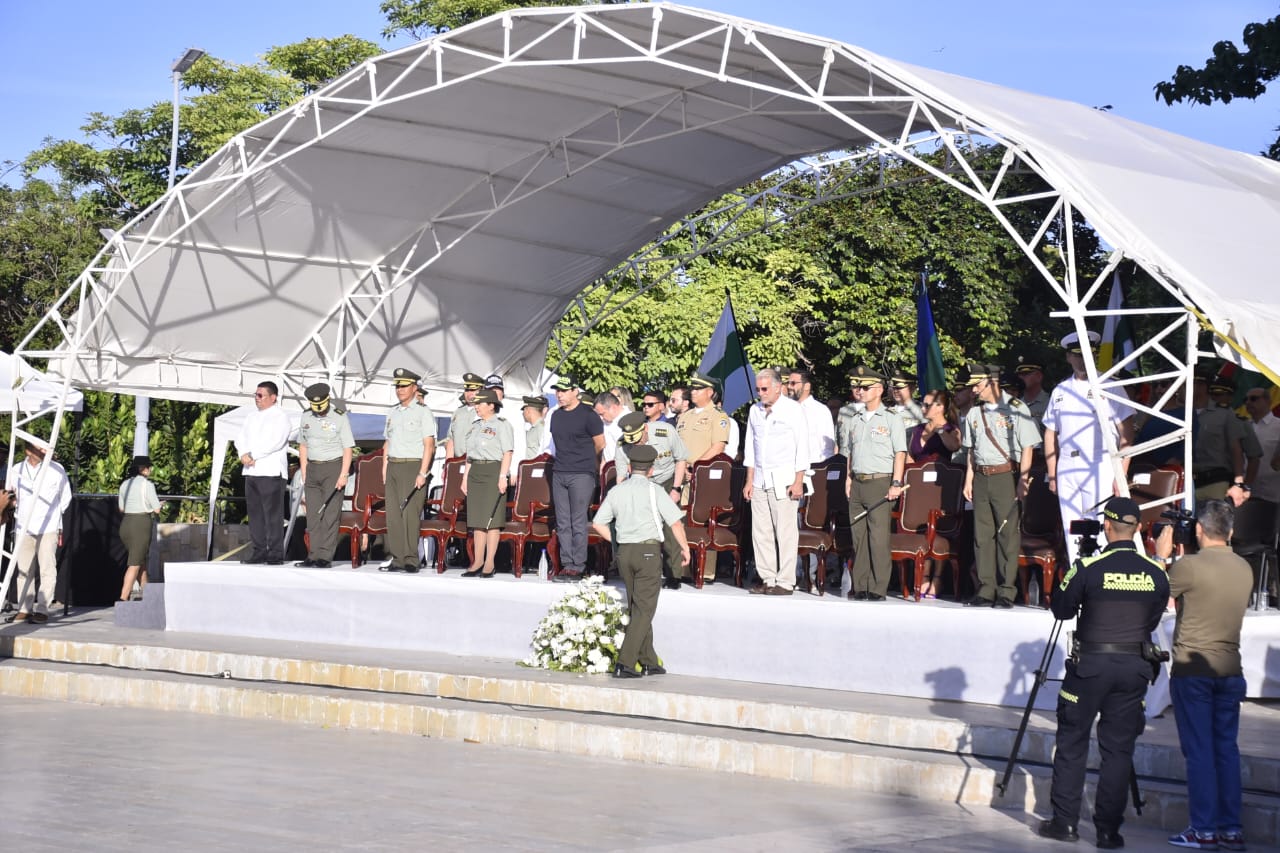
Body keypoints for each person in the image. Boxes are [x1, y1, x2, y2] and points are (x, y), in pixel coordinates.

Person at [1038, 497, 1169, 850]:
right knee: (1118, 751)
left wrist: (1072, 570)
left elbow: (1061, 611)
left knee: (1072, 743)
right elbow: (1152, 621)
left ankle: (1065, 824)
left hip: (1091, 668)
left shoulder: (1088, 568)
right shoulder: (1156, 572)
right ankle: (1108, 831)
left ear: (1107, 527)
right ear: (1138, 529)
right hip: (1133, 669)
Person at [1152, 501, 1252, 851]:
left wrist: (1162, 557)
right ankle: (1230, 829)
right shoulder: (1244, 567)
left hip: (1193, 671)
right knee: (1226, 750)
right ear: (1231, 532)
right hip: (1230, 669)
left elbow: (1154, 594)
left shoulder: (1188, 566)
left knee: (1200, 752)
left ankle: (1204, 829)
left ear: (1198, 530)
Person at [591, 444, 691, 678]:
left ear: (629, 467)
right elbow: (675, 522)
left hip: (625, 552)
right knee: (645, 609)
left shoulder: (617, 491)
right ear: (652, 470)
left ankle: (648, 661)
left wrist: (617, 541)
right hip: (647, 552)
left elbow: (598, 523)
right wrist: (685, 548)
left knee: (638, 606)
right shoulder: (655, 490)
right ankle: (625, 663)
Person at [1042, 331, 1135, 565]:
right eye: (1077, 355)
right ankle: (1077, 576)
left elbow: (1127, 432)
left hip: (1101, 462)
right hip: (1067, 464)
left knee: (1102, 525)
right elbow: (1051, 432)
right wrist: (1052, 472)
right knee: (1071, 526)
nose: (1082, 360)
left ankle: (1101, 577)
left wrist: (1121, 472)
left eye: (1086, 354)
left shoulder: (1110, 385)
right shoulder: (1060, 391)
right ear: (1068, 357)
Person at [961, 364, 1042, 608]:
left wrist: (1023, 480)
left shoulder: (1017, 409)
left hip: (1006, 476)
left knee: (1007, 534)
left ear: (992, 382)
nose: (974, 390)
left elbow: (1028, 446)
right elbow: (971, 450)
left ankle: (1007, 590)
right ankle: (986, 589)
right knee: (982, 535)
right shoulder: (976, 413)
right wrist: (969, 479)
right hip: (982, 476)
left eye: (977, 385)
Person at [742, 369, 808, 596]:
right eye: (758, 389)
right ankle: (768, 577)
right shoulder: (755, 411)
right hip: (760, 478)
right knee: (760, 532)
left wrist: (799, 480)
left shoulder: (793, 410)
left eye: (765, 389)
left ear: (778, 387)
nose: (760, 393)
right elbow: (751, 447)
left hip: (784, 478)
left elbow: (803, 447)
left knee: (786, 531)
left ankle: (786, 580)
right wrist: (749, 480)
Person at [844, 365, 907, 601]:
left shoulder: (891, 418)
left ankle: (878, 587)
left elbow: (899, 453)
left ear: (879, 389)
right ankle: (861, 585)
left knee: (878, 537)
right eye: (857, 386)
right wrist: (848, 478)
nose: (859, 390)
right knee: (858, 537)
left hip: (880, 481)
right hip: (859, 481)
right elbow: (851, 452)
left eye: (865, 387)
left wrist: (896, 482)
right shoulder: (855, 418)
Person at [615, 411, 689, 588]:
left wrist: (676, 488)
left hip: (667, 480)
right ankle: (644, 572)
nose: (636, 443)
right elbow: (621, 477)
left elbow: (681, 459)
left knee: (671, 526)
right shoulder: (622, 444)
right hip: (641, 483)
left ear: (645, 428)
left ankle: (673, 575)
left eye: (639, 439)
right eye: (631, 441)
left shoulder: (666, 431)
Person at [4, 442, 72, 624]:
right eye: (40, 448)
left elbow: (66, 498)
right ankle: (24, 609)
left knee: (47, 568)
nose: (45, 451)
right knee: (24, 570)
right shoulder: (16, 469)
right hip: (23, 527)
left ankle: (42, 609)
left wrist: (53, 516)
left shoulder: (57, 469)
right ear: (28, 450)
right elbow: (11, 496)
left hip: (48, 526)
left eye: (45, 448)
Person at [548, 378, 605, 581]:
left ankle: (578, 565)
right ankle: (566, 564)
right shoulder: (555, 416)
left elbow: (600, 443)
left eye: (563, 391)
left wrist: (587, 462)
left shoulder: (589, 415)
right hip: (560, 471)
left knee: (578, 520)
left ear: (575, 391)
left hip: (581, 472)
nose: (560, 395)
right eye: (557, 391)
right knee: (562, 521)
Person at [382, 368, 437, 573]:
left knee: (410, 515)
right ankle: (397, 558)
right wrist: (384, 466)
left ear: (415, 388)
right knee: (394, 515)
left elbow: (429, 445)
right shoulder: (393, 412)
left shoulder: (423, 412)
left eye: (404, 386)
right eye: (397, 386)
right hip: (394, 465)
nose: (400, 389)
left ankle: (411, 559)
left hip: (412, 465)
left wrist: (422, 472)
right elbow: (388, 441)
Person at [296, 382, 355, 568]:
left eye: (321, 406)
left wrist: (344, 474)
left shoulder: (339, 417)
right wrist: (304, 470)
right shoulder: (306, 416)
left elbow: (348, 448)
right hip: (313, 467)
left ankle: (325, 556)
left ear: (327, 401)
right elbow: (303, 445)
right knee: (313, 514)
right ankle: (312, 555)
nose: (318, 410)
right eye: (315, 406)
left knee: (330, 514)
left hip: (333, 466)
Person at [235, 380, 292, 565]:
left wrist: (253, 454)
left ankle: (275, 553)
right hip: (251, 471)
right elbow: (240, 438)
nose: (257, 399)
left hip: (271, 471)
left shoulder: (280, 416)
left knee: (273, 516)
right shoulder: (251, 417)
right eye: (256, 395)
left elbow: (276, 441)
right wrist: (242, 453)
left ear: (273, 397)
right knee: (255, 514)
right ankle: (259, 551)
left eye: (261, 395)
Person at [460, 388, 514, 577]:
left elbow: (507, 452)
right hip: (476, 471)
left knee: (492, 520)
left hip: (493, 470)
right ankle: (477, 560)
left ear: (491, 405)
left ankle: (490, 562)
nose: (476, 407)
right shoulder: (474, 426)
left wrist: (502, 476)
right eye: (475, 403)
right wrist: (465, 477)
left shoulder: (502, 425)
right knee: (477, 520)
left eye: (480, 403)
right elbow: (469, 456)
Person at [117, 455, 163, 601]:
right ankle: (123, 598)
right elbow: (156, 510)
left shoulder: (125, 484)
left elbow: (121, 508)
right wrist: (159, 504)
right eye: (149, 467)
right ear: (143, 469)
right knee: (135, 563)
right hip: (140, 524)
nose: (150, 470)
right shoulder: (147, 485)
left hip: (125, 524)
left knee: (139, 559)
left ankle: (146, 591)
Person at [786, 368, 836, 463]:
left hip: (811, 471)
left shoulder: (820, 411)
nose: (789, 386)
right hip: (787, 470)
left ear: (807, 386)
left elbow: (828, 448)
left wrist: (821, 472)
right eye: (788, 383)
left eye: (793, 383)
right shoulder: (784, 409)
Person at [908, 388, 961, 464]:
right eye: (922, 404)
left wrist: (941, 432)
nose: (922, 408)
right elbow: (910, 456)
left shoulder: (951, 429)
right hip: (917, 473)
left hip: (941, 474)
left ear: (940, 407)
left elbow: (954, 446)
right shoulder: (918, 429)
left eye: (926, 405)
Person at [445, 372, 484, 457]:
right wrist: (448, 464)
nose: (469, 393)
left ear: (481, 390)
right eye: (467, 390)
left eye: (473, 390)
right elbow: (451, 440)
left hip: (476, 462)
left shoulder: (484, 410)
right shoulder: (458, 412)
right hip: (457, 461)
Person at [1015, 355, 1052, 430]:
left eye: (1025, 374)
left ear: (1039, 376)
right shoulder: (1015, 404)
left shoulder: (1051, 402)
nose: (1021, 378)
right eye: (1019, 374)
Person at [594, 391, 625, 466]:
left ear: (613, 407)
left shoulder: (630, 420)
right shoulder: (605, 421)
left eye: (602, 414)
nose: (600, 418)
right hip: (608, 469)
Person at [521, 395, 551, 459]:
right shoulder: (534, 428)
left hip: (537, 467)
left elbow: (545, 452)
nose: (522, 413)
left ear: (528, 410)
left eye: (523, 410)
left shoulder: (541, 428)